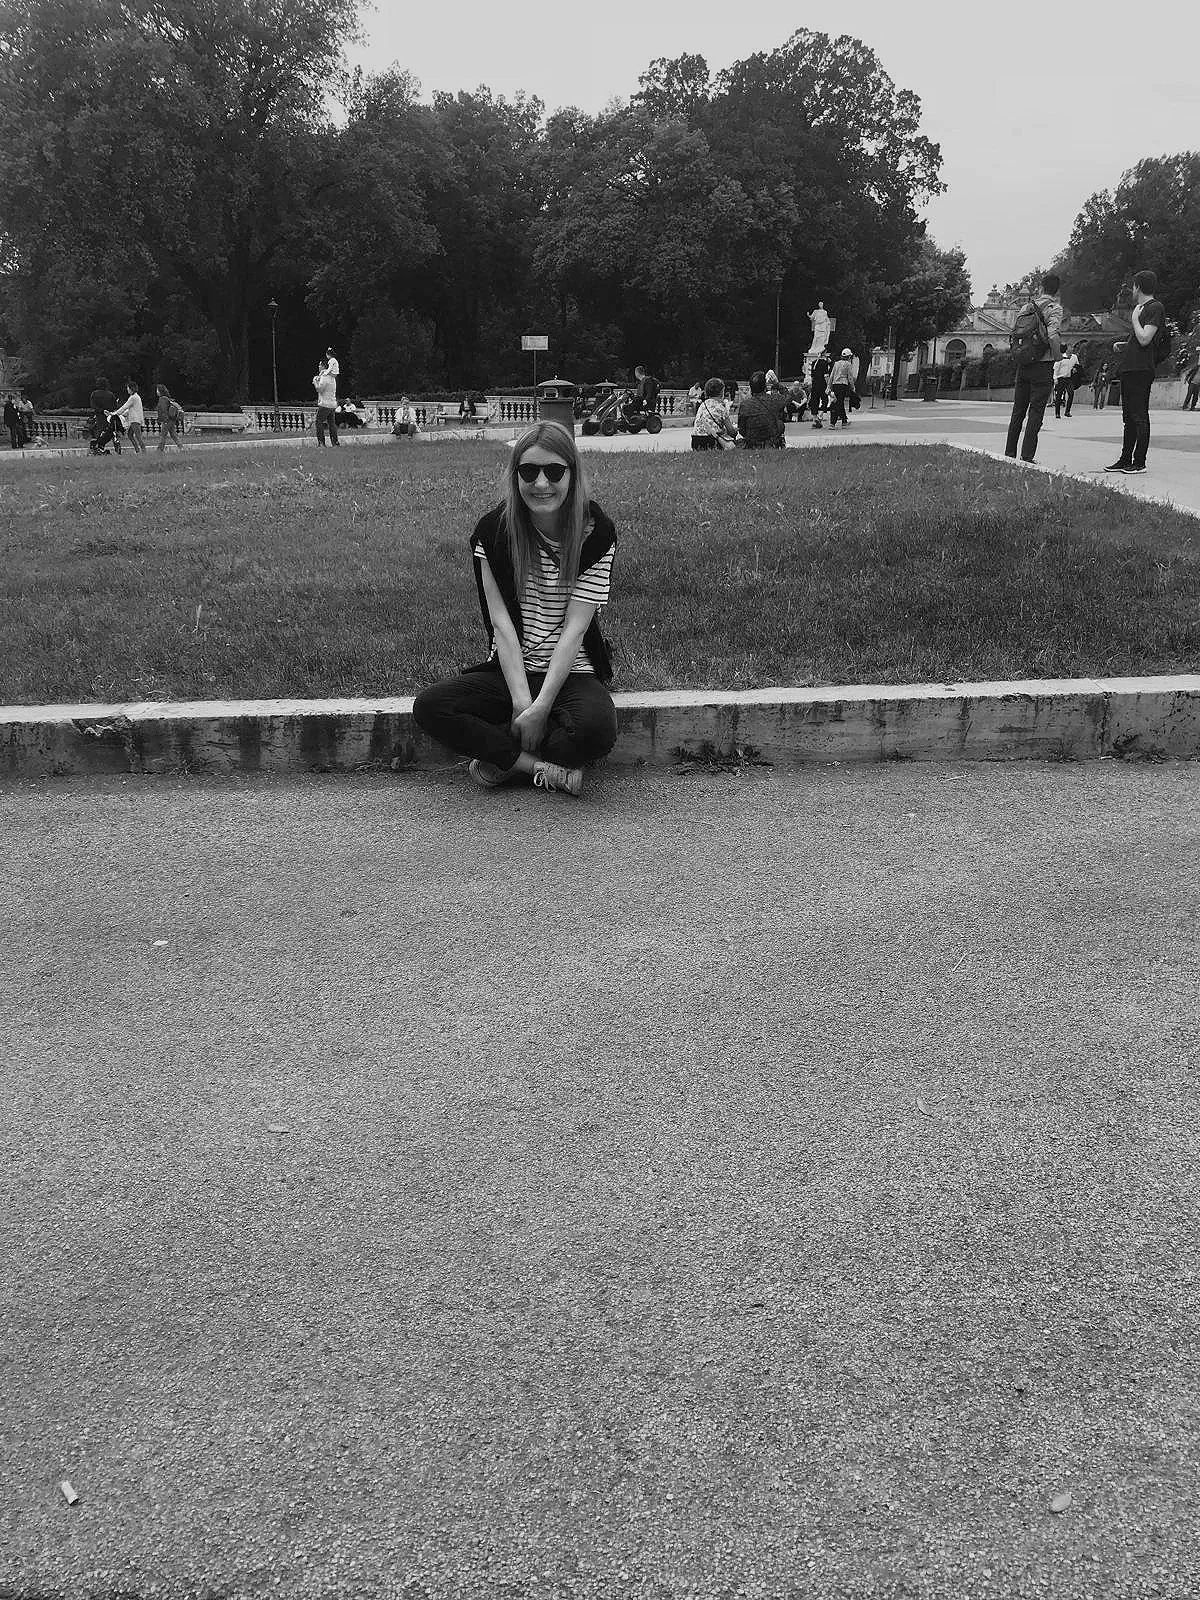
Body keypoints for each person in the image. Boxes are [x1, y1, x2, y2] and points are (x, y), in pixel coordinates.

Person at [412, 421, 618, 799]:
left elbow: (574, 630)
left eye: (554, 471)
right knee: (431, 706)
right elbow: (501, 626)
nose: (541, 484)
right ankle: (535, 767)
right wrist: (525, 703)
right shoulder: (493, 533)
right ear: (515, 475)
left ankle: (502, 759)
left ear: (573, 474)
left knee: (597, 733)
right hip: (511, 669)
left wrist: (541, 708)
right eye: (529, 471)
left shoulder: (596, 532)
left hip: (572, 671)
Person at [1104, 269, 1166, 476]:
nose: (1131, 290)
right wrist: (1125, 344)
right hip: (1130, 368)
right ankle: (1125, 458)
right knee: (1128, 417)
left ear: (1138, 286)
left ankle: (1139, 461)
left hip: (1141, 369)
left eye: (1133, 286)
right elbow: (1139, 340)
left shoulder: (1154, 307)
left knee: (1139, 416)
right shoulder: (1142, 308)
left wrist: (1134, 319)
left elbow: (1145, 338)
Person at [1004, 272, 1063, 463]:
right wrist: (1057, 356)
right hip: (1042, 365)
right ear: (1057, 290)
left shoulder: (1026, 307)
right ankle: (1027, 456)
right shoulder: (1054, 308)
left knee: (1018, 411)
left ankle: (1009, 453)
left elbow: (1016, 333)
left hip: (1024, 364)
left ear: (1041, 287)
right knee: (1035, 412)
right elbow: (1053, 336)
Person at [736, 370, 785, 449]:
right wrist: (777, 384)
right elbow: (788, 396)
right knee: (780, 424)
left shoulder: (745, 405)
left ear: (751, 388)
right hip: (771, 439)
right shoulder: (774, 400)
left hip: (752, 441)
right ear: (765, 387)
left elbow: (742, 430)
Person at [690, 378, 738, 450]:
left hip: (696, 441)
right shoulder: (721, 408)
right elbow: (731, 431)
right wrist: (735, 431)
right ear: (722, 392)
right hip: (711, 441)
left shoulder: (702, 405)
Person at [109, 380, 147, 453]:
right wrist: (118, 413)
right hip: (134, 420)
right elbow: (129, 409)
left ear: (131, 388)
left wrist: (114, 413)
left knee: (138, 437)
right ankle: (138, 450)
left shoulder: (133, 397)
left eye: (128, 388)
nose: (127, 390)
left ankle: (143, 451)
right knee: (130, 435)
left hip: (135, 420)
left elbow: (124, 407)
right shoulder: (136, 397)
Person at [313, 357, 339, 447]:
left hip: (325, 404)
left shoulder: (324, 376)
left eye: (319, 365)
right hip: (332, 403)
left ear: (323, 366)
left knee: (318, 421)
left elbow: (320, 389)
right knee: (332, 424)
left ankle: (321, 443)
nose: (318, 366)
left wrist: (315, 382)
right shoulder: (332, 377)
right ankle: (335, 442)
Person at [89, 379, 118, 453]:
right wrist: (109, 411)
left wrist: (101, 410)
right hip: (109, 416)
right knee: (108, 432)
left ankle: (96, 446)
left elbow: (93, 405)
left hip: (99, 415)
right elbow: (115, 405)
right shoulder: (110, 394)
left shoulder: (94, 394)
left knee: (98, 430)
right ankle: (101, 445)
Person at [828, 349, 856, 427]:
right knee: (838, 403)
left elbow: (832, 376)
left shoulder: (836, 363)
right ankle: (833, 423)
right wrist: (853, 387)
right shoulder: (848, 364)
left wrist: (829, 386)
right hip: (843, 385)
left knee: (839, 402)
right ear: (848, 356)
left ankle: (844, 420)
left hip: (835, 384)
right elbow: (850, 377)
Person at [155, 383, 184, 450]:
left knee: (163, 435)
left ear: (160, 391)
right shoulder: (167, 398)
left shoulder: (162, 399)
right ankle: (181, 447)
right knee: (173, 435)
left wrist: (164, 420)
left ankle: (160, 450)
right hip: (171, 419)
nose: (156, 391)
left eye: (157, 390)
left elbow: (164, 410)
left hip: (166, 420)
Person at [1053, 349, 1079, 418]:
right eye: (1069, 353)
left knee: (1071, 393)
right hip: (1061, 378)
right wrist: (1055, 378)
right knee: (1059, 395)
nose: (1070, 354)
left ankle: (1067, 411)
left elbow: (1077, 365)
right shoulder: (1060, 358)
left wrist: (1075, 368)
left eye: (1071, 353)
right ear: (1066, 352)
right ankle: (1057, 413)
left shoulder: (1074, 357)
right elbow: (1055, 369)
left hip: (1069, 378)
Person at [809, 353, 831, 427]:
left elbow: (811, 377)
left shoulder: (814, 362)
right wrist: (829, 385)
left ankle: (814, 419)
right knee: (825, 400)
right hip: (822, 384)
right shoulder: (824, 363)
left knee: (814, 401)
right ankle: (820, 415)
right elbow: (826, 376)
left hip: (815, 384)